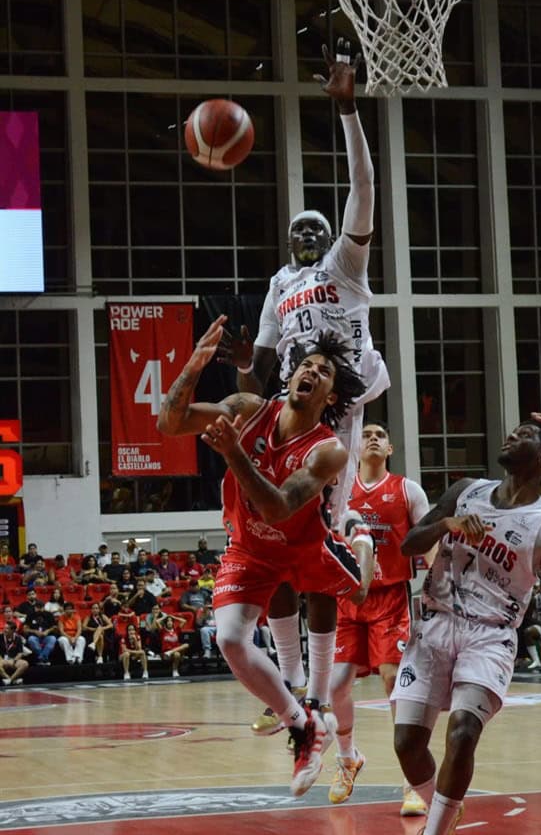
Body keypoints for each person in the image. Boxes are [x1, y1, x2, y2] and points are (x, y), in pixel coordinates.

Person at [217, 39, 389, 727]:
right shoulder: (278, 283)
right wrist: (238, 363)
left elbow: (364, 190)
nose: (312, 236)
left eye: (320, 229)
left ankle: (317, 682)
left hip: (341, 400)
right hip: (288, 407)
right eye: (302, 232)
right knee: (267, 530)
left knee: (317, 533)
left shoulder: (345, 267)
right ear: (290, 244)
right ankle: (289, 683)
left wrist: (348, 112)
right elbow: (261, 366)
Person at [158, 316, 372, 796]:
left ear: (330, 397)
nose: (311, 372)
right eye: (306, 365)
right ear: (291, 375)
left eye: (323, 372)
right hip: (250, 547)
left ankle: (360, 538)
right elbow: (168, 422)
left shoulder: (330, 451)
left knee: (346, 590)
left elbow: (277, 508)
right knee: (230, 639)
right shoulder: (248, 407)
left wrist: (235, 454)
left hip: (302, 546)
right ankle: (301, 724)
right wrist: (192, 366)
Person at [392, 421, 541, 835]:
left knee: (463, 730)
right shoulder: (465, 491)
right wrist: (445, 526)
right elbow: (408, 545)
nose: (511, 434)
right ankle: (446, 805)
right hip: (435, 624)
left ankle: (435, 829)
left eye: (524, 434)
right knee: (406, 744)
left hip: (490, 636)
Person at [328, 422, 432, 814]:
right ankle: (348, 757)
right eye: (366, 432)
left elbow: (428, 540)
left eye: (380, 435)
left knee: (393, 679)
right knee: (336, 685)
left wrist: (438, 585)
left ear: (389, 448)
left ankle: (412, 782)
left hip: (390, 596)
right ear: (356, 446)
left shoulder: (407, 490)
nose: (372, 437)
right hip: (345, 597)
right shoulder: (339, 490)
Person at [23, 599, 57, 665]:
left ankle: (40, 658)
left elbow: (55, 627)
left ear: (43, 607)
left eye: (41, 607)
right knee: (31, 639)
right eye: (37, 607)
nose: (39, 609)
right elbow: (25, 629)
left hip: (47, 636)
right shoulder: (30, 615)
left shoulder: (49, 615)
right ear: (35, 608)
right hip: (35, 637)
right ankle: (44, 658)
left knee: (52, 639)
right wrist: (35, 631)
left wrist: (47, 631)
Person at [158, 613, 189, 678]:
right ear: (165, 623)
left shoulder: (176, 630)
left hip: (174, 651)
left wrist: (173, 617)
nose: (169, 622)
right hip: (165, 652)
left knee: (186, 645)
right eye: (168, 621)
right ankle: (174, 669)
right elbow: (157, 621)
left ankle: (175, 670)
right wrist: (165, 617)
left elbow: (184, 621)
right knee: (177, 654)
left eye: (171, 621)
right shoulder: (163, 631)